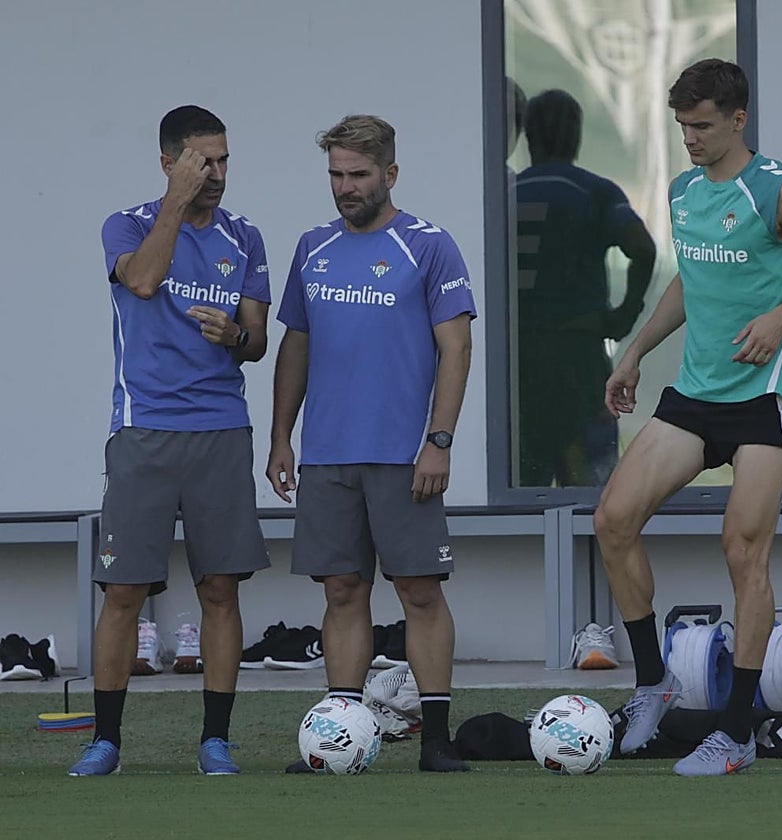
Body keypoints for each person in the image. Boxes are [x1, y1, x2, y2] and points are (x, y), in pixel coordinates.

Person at [593, 59, 782, 776]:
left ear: (738, 120)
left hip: (765, 397)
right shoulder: (684, 190)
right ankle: (654, 683)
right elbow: (692, 279)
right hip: (695, 394)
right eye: (683, 126)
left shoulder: (780, 188)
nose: (691, 138)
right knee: (612, 520)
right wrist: (634, 352)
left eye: (703, 126)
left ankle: (736, 730)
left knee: (742, 551)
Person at [268, 114, 476, 772]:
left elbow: (456, 348)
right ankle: (341, 734)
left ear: (390, 173)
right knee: (340, 592)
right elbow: (296, 345)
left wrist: (438, 441)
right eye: (336, 174)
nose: (345, 187)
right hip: (327, 456)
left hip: (403, 456)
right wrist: (281, 436)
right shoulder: (313, 247)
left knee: (419, 592)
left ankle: (435, 740)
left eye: (358, 174)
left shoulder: (429, 245)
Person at [70, 106, 272, 776]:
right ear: (168, 163)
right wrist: (175, 206)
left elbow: (257, 339)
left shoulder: (245, 237)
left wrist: (235, 336)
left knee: (220, 589)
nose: (215, 173)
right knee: (123, 591)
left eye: (223, 160)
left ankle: (216, 741)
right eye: (200, 161)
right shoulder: (127, 224)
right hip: (143, 429)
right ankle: (105, 741)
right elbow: (143, 280)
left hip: (221, 430)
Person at [515, 89, 657, 486]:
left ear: (528, 137)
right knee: (592, 493)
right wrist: (624, 315)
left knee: (522, 492)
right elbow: (642, 248)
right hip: (579, 361)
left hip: (519, 364)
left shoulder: (505, 194)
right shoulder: (596, 192)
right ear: (576, 135)